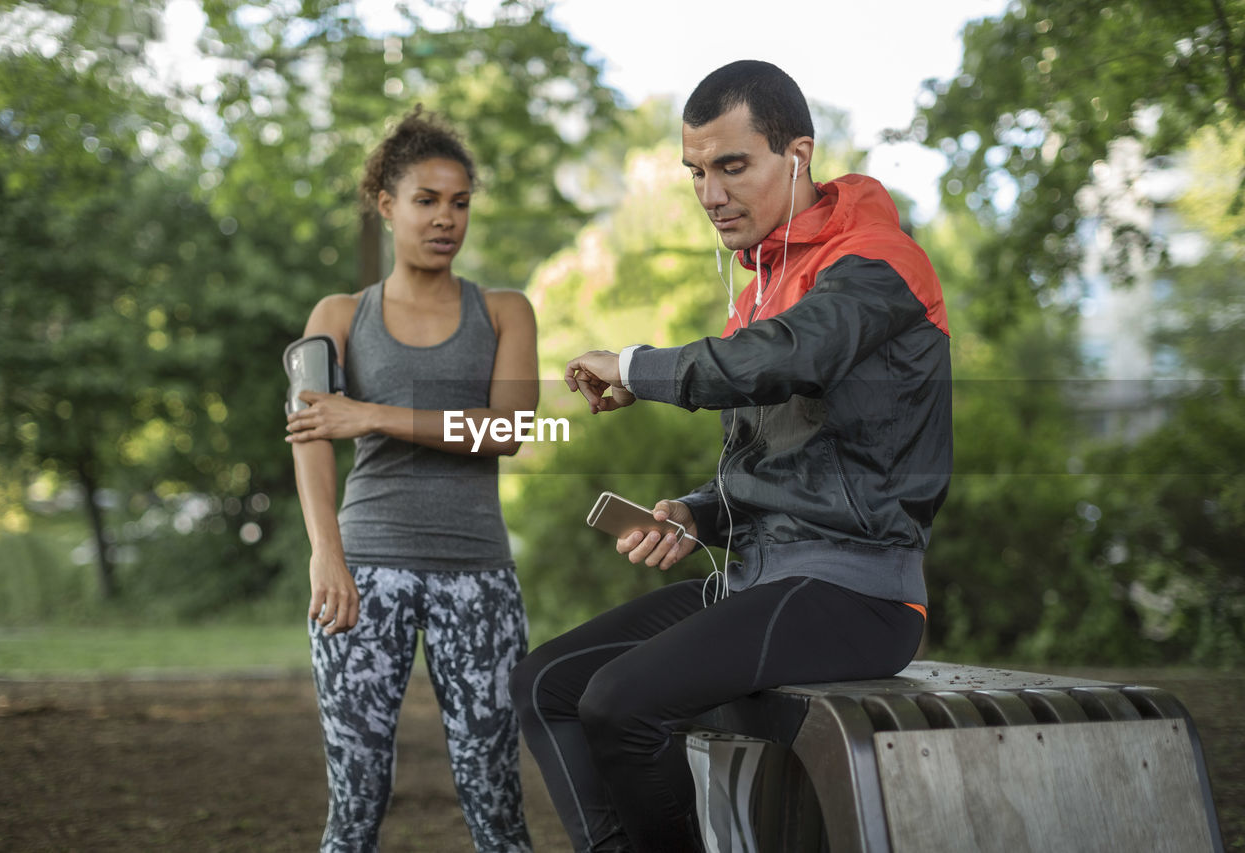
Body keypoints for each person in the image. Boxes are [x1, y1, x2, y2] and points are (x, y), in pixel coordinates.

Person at [510, 60, 952, 852]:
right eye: (695, 171)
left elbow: (788, 360)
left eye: (732, 165)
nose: (709, 193)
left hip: (859, 595)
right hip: (758, 578)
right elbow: (788, 456)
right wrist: (697, 511)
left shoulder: (879, 261)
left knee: (620, 701)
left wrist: (639, 366)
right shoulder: (762, 285)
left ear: (799, 155)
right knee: (548, 684)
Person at [287, 106, 538, 853]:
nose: (445, 219)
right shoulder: (336, 314)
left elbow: (510, 429)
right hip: (362, 573)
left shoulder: (503, 311)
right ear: (386, 203)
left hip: (478, 576)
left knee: (496, 800)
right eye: (426, 200)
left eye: (459, 202)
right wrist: (323, 551)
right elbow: (309, 434)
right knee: (355, 804)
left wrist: (371, 413)